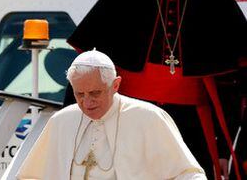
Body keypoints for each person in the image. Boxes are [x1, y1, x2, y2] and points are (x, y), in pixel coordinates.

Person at [65, 0, 247, 179]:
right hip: (129, 119)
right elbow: (87, 67)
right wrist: (72, 130)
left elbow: (232, 86)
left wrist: (224, 149)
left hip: (192, 126)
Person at [17, 50, 206, 179]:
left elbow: (188, 174)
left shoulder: (149, 118)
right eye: (79, 94)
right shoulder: (61, 121)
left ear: (115, 85)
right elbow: (31, 176)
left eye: (95, 93)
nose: (87, 102)